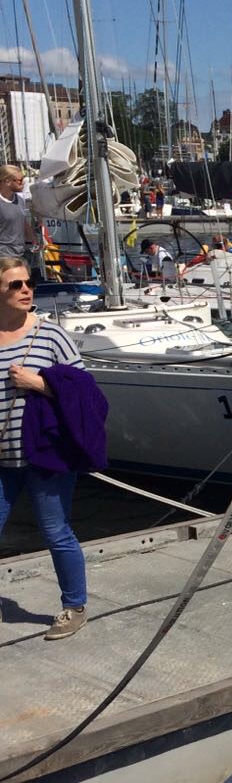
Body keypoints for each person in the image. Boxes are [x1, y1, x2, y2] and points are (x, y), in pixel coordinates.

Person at [0, 257, 91, 639]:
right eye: (14, 285)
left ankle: (74, 607)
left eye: (27, 283)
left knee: (56, 531)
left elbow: (85, 391)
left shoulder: (50, 335)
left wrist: (39, 384)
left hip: (46, 455)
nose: (25, 290)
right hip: (2, 458)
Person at [0, 164, 32, 265]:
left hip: (20, 254)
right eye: (19, 180)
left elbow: (23, 222)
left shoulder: (20, 199)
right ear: (7, 181)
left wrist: (33, 240)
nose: (23, 183)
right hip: (3, 257)